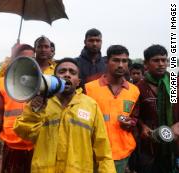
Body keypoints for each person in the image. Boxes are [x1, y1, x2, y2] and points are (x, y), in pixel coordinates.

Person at [14, 58, 116, 173]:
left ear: (78, 81)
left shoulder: (91, 106)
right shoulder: (41, 103)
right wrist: (34, 111)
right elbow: (24, 133)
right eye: (62, 72)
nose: (67, 75)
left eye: (72, 72)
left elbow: (103, 150)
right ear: (54, 77)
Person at [85, 45, 140, 173]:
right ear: (106, 61)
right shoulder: (89, 88)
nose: (120, 65)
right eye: (115, 60)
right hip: (93, 153)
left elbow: (135, 118)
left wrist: (130, 123)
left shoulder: (134, 90)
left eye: (124, 61)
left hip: (122, 153)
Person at [0, 44, 35, 172]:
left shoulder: (44, 82)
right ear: (15, 60)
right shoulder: (2, 83)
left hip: (37, 144)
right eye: (23, 58)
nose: (28, 62)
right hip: (12, 144)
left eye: (32, 58)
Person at [135, 44, 178, 173]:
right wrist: (142, 126)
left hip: (175, 145)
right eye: (156, 60)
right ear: (146, 64)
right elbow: (134, 115)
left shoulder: (176, 83)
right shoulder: (138, 88)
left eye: (164, 60)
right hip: (150, 148)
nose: (161, 64)